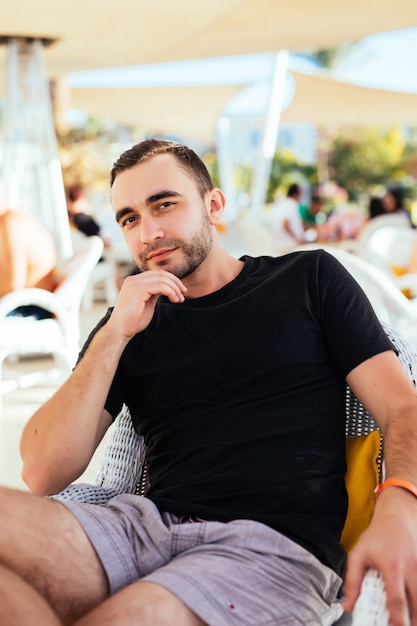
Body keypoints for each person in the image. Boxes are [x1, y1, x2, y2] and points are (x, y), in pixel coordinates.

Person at [0, 139, 416, 626]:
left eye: (165, 204)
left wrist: (401, 503)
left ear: (213, 205)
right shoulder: (130, 321)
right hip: (140, 528)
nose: (149, 232)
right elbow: (44, 472)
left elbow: (402, 407)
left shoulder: (308, 278)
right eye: (129, 218)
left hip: (267, 547)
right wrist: (113, 334)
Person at [0, 183, 57, 317]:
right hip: (25, 303)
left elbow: (13, 286)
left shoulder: (10, 223)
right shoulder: (12, 219)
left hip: (30, 308)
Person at [269, 182, 305, 251]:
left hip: (277, 242)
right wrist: (297, 239)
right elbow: (285, 224)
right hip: (288, 244)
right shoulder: (291, 204)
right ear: (296, 194)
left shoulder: (280, 204)